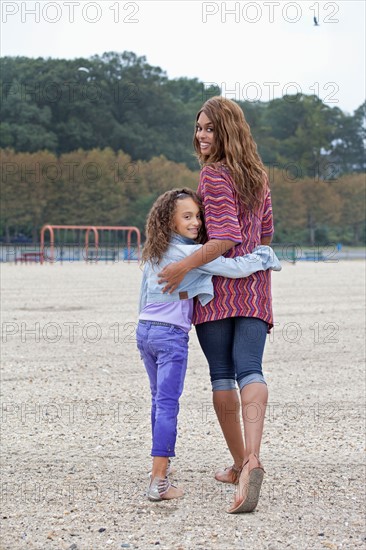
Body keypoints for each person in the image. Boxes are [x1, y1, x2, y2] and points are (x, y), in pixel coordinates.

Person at [157, 97, 277, 513]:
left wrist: (181, 267)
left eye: (209, 128)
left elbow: (222, 236)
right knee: (252, 369)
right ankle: (246, 461)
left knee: (224, 374)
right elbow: (264, 234)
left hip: (218, 288)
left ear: (227, 131)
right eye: (198, 127)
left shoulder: (212, 175)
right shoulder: (259, 176)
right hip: (255, 285)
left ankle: (245, 461)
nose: (201, 135)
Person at [137, 187, 281, 502]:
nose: (197, 223)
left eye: (198, 216)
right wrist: (265, 256)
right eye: (187, 217)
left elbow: (148, 295)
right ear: (170, 221)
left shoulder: (155, 250)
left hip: (145, 331)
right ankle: (158, 481)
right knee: (167, 404)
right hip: (170, 335)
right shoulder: (190, 256)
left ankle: (162, 466)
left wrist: (186, 295)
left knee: (157, 400)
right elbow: (232, 268)